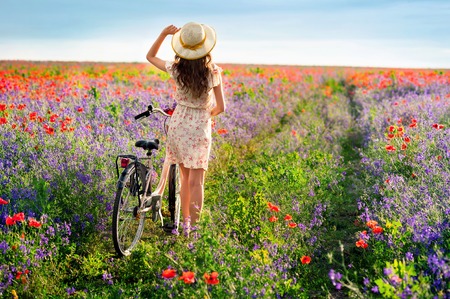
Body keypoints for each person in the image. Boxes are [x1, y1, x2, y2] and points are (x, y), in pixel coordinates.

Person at [146, 22, 226, 232]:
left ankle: (184, 225)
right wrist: (206, 115)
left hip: (178, 123)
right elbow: (221, 107)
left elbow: (150, 57)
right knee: (196, 181)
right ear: (205, 47)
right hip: (200, 125)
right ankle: (194, 231)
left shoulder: (176, 68)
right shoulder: (213, 72)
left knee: (184, 177)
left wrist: (163, 34)